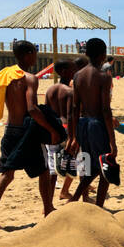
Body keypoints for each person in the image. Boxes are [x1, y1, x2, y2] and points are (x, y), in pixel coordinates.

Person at [0, 40, 64, 230]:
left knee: (7, 174)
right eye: (35, 53)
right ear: (28, 54)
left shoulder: (7, 75)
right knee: (43, 171)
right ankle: (48, 208)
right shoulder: (29, 78)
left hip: (10, 129)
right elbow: (32, 109)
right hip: (25, 132)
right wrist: (52, 130)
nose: (36, 56)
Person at [67, 37, 117, 208]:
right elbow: (105, 109)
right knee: (105, 166)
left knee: (87, 165)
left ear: (86, 53)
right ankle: (98, 206)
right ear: (103, 55)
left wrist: (72, 136)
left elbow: (74, 108)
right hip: (96, 124)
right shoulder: (104, 76)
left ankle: (77, 201)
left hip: (82, 123)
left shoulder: (78, 75)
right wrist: (112, 141)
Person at [45, 57, 82, 201]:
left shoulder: (50, 90)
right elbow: (71, 115)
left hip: (52, 130)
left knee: (52, 168)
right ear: (65, 72)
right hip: (67, 130)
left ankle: (48, 202)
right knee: (73, 163)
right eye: (74, 70)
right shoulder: (70, 92)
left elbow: (47, 112)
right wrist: (73, 137)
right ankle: (64, 191)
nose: (76, 72)